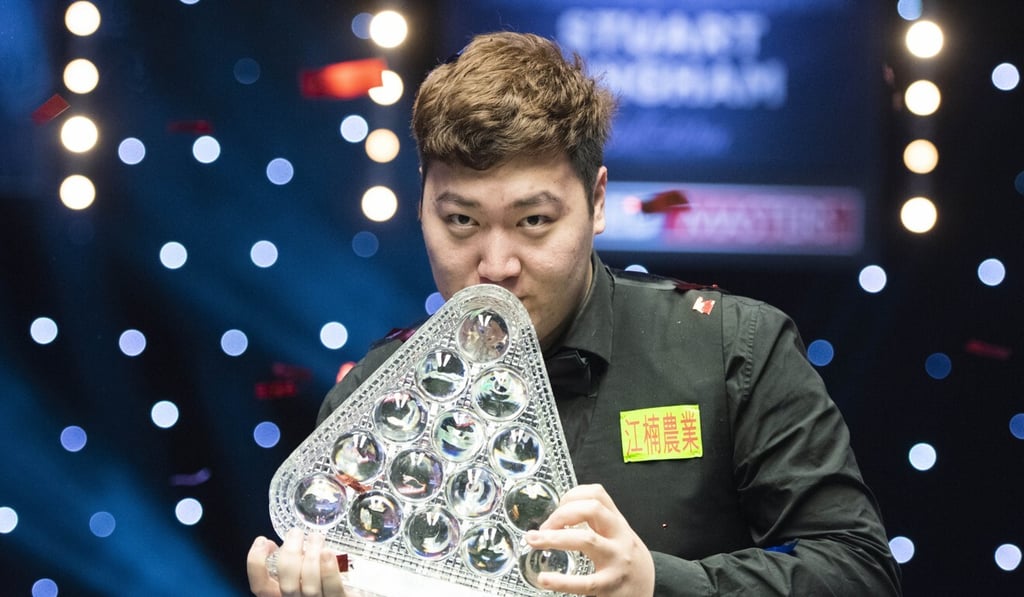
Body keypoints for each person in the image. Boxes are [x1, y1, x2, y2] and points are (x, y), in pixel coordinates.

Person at [247, 31, 902, 597]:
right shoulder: (376, 397)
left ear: (597, 201)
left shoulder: (735, 346)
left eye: (533, 221)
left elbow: (859, 570)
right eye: (461, 221)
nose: (496, 263)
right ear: (420, 207)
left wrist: (656, 584)